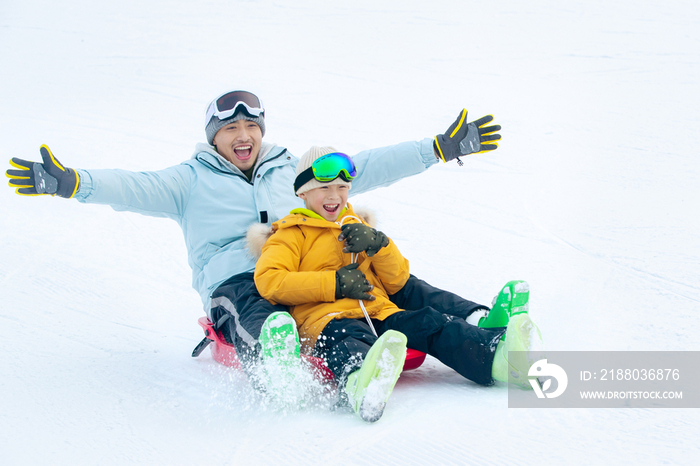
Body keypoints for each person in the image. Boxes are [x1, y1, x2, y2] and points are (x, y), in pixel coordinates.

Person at [5, 89, 503, 387]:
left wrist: (438, 148)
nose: (244, 135)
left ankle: (476, 324)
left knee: (382, 276)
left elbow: (367, 166)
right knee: (255, 308)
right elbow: (132, 186)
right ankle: (276, 362)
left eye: (251, 125)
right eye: (232, 128)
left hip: (307, 270)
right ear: (213, 135)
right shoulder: (188, 180)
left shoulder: (289, 167)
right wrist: (71, 182)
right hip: (237, 278)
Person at [252, 146, 543, 422]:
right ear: (302, 191)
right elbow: (270, 281)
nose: (334, 195)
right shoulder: (289, 234)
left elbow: (398, 280)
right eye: (324, 187)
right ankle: (360, 386)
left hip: (378, 311)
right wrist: (334, 284)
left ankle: (499, 359)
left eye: (342, 187)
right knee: (348, 341)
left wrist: (379, 245)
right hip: (327, 320)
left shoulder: (355, 225)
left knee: (430, 323)